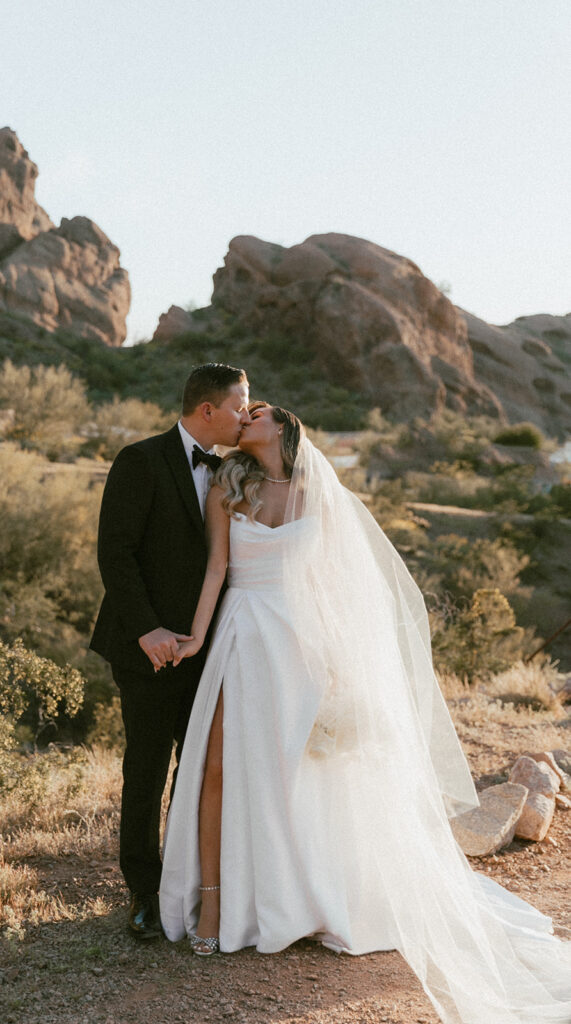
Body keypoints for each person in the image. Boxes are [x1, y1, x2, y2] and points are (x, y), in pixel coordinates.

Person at [160, 403, 571, 1023]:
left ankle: (297, 895)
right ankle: (215, 907)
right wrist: (195, 639)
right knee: (220, 768)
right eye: (244, 411)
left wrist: (339, 663)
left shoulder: (315, 490)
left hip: (298, 642)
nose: (248, 416)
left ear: (286, 429)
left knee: (296, 772)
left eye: (260, 412)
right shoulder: (228, 484)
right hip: (243, 634)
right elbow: (218, 570)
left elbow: (331, 584)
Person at [90, 363, 250, 939]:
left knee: (204, 772)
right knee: (147, 767)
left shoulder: (241, 472)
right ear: (207, 410)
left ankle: (191, 888)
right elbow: (116, 554)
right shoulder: (140, 460)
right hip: (149, 649)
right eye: (239, 406)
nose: (245, 415)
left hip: (215, 650)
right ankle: (142, 892)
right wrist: (148, 630)